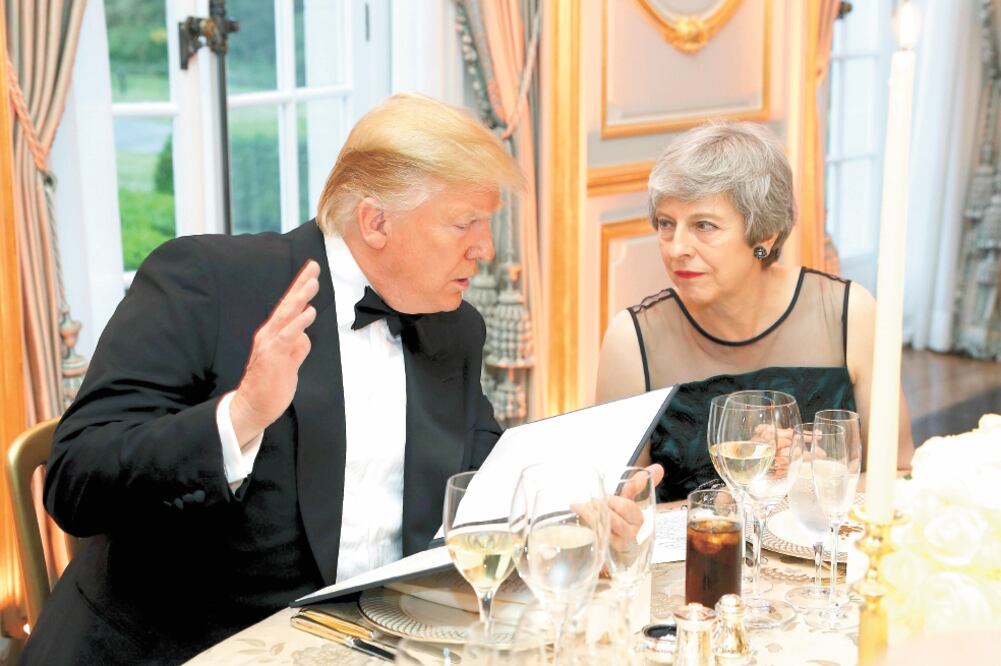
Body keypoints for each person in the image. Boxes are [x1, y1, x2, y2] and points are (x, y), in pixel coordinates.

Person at [22, 94, 523, 665]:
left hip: (373, 643)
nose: (484, 248)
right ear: (376, 221)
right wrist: (239, 418)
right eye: (465, 224)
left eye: (487, 224)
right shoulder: (207, 285)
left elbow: (485, 473)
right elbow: (75, 480)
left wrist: (568, 502)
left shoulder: (453, 329)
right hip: (177, 650)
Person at [595, 121, 915, 502]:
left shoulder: (849, 316)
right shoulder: (633, 340)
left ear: (764, 237)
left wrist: (799, 483)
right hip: (693, 559)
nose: (676, 247)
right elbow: (617, 511)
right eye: (667, 224)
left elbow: (898, 475)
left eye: (704, 226)